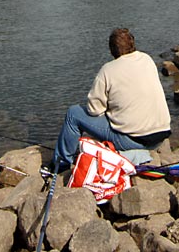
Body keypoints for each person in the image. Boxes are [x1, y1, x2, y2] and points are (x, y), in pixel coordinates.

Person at [51, 27, 171, 170]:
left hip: (133, 140)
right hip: (160, 136)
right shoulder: (147, 59)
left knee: (73, 114)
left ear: (112, 50)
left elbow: (94, 110)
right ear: (133, 43)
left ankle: (61, 163)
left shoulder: (108, 70)